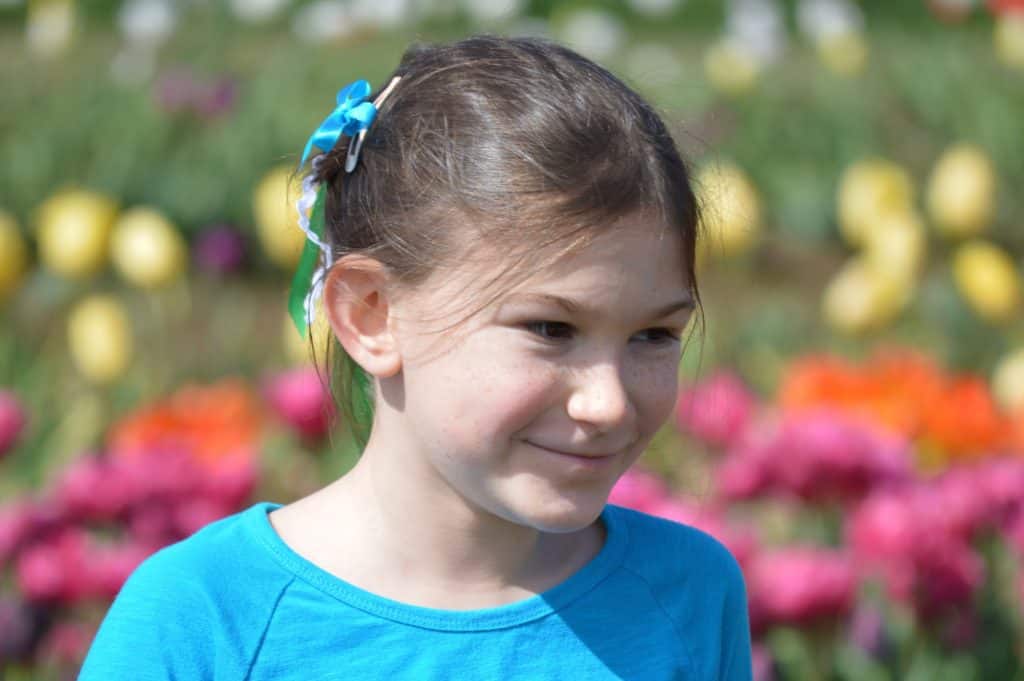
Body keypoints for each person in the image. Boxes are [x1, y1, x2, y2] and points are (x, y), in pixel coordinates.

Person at [79, 35, 752, 680]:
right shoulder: (205, 617)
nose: (607, 402)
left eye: (655, 335)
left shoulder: (689, 595)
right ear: (371, 314)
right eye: (550, 328)